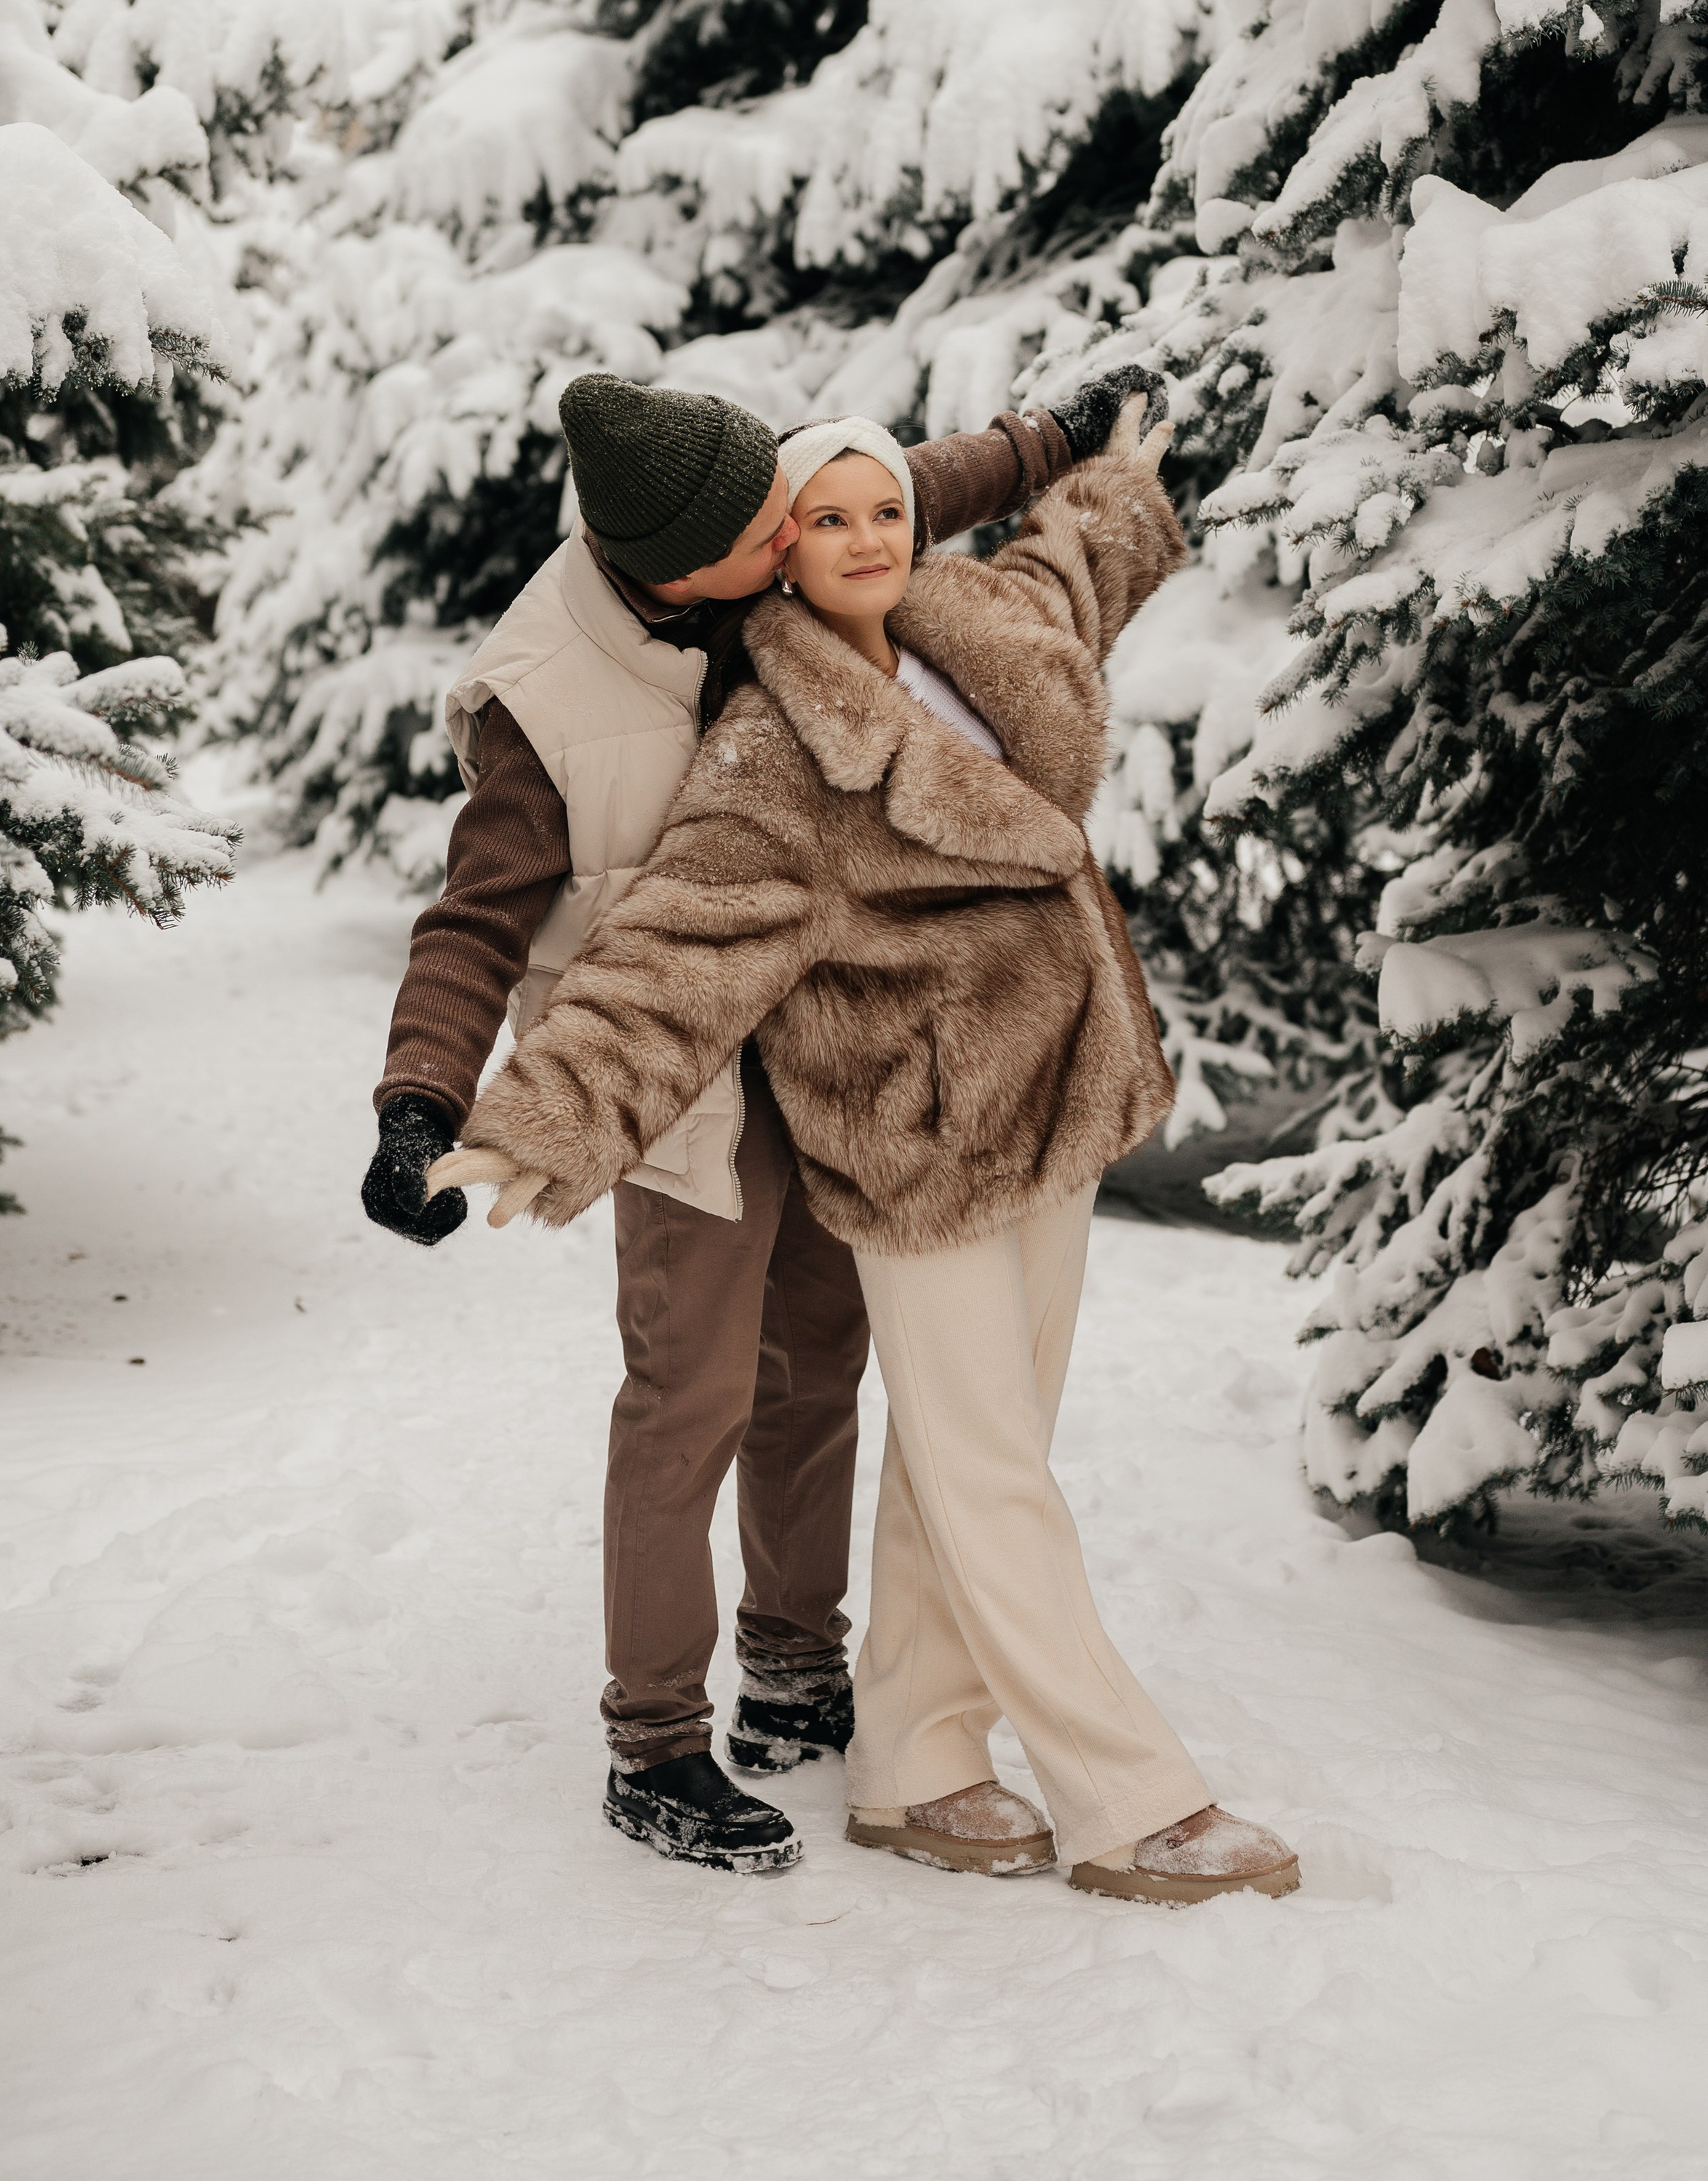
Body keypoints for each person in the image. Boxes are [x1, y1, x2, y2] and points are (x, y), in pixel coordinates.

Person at [445, 399, 1300, 1904]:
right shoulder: (775, 743)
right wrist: (532, 1118)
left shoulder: (977, 617)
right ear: (778, 546)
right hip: (910, 1147)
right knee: (988, 1475)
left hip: (1061, 1105)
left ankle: (911, 1755)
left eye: (882, 512)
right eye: (821, 518)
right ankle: (1128, 1797)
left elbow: (1074, 565)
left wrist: (1119, 470)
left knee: (984, 1454)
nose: (858, 541)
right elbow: (673, 951)